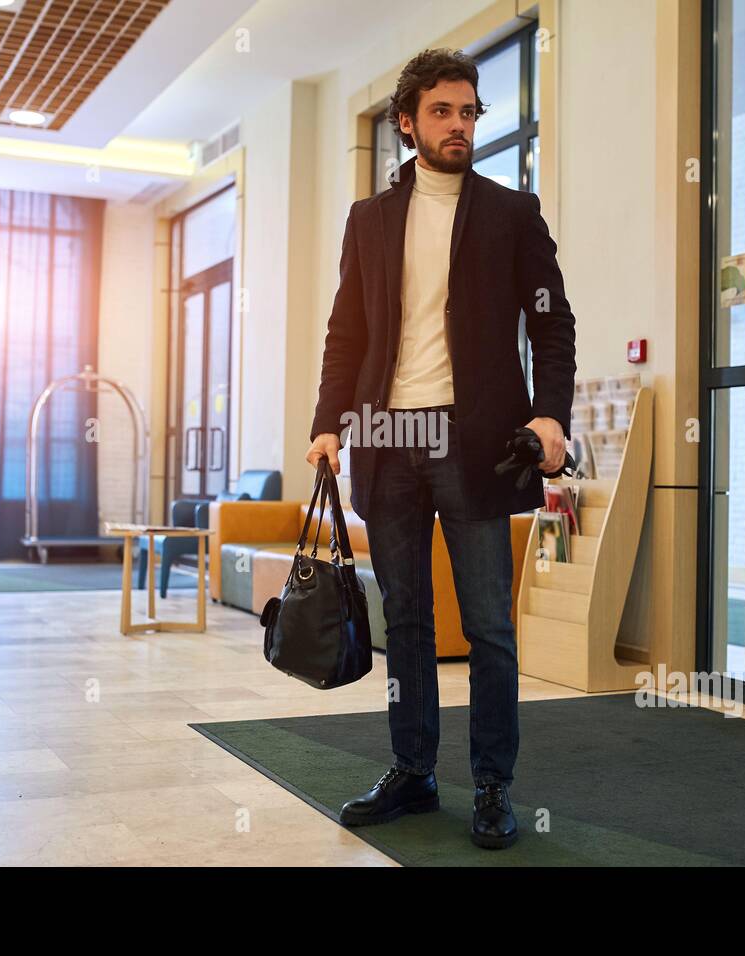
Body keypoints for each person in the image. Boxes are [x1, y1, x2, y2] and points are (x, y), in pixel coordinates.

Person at [305, 48, 576, 850]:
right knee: (410, 621)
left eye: (469, 113)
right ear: (407, 121)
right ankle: (412, 770)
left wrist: (551, 415)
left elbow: (551, 322)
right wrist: (330, 421)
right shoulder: (370, 220)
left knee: (489, 623)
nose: (459, 126)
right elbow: (346, 330)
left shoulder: (510, 213)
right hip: (388, 437)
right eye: (443, 113)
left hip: (474, 438)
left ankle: (492, 784)